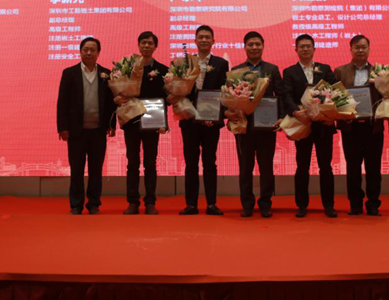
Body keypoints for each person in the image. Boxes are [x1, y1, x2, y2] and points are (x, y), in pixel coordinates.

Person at [280, 34, 339, 218]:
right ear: (296, 50)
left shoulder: (325, 69)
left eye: (308, 46)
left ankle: (328, 205)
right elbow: (286, 95)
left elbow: (336, 92)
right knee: (302, 166)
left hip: (323, 124)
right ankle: (301, 205)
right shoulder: (289, 72)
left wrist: (329, 114)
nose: (305, 49)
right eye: (302, 46)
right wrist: (295, 112)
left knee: (326, 166)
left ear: (314, 49)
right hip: (302, 123)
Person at [225, 31, 283, 218]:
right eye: (250, 44)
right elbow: (229, 98)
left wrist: (282, 117)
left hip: (266, 125)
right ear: (245, 47)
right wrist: (229, 114)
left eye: (258, 44)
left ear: (263, 46)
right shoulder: (236, 71)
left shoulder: (272, 69)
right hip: (244, 126)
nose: (254, 47)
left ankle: (265, 203)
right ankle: (247, 204)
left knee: (266, 167)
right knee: (245, 167)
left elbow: (280, 95)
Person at [56, 37, 117, 215]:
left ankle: (94, 204)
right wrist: (63, 127)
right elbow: (62, 102)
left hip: (98, 131)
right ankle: (76, 204)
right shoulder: (69, 73)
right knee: (77, 169)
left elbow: (111, 103)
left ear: (98, 53)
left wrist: (111, 124)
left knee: (96, 170)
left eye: (92, 50)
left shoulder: (106, 74)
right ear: (80, 51)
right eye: (85, 49)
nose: (89, 52)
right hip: (76, 131)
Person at [177, 25, 229, 215]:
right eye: (201, 37)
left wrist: (214, 117)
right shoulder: (185, 62)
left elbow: (225, 93)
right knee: (190, 164)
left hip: (210, 122)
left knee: (210, 163)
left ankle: (211, 203)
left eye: (208, 37)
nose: (204, 40)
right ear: (195, 40)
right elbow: (178, 90)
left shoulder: (221, 64)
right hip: (189, 121)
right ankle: (191, 204)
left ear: (213, 41)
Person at [116, 31, 169, 215]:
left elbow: (166, 98)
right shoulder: (127, 68)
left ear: (155, 47)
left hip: (152, 121)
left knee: (150, 163)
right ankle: (132, 202)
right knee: (132, 163)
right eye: (143, 42)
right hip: (131, 120)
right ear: (138, 45)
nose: (146, 46)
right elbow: (120, 92)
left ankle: (150, 202)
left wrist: (163, 122)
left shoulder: (163, 70)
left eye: (150, 43)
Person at [334, 35, 384, 216]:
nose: (360, 50)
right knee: (353, 167)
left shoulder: (380, 72)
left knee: (373, 167)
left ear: (369, 49)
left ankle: (373, 203)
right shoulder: (340, 71)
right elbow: (334, 98)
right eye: (357, 47)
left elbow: (386, 97)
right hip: (351, 127)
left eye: (364, 47)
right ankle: (355, 203)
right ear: (351, 50)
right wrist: (342, 115)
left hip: (373, 127)